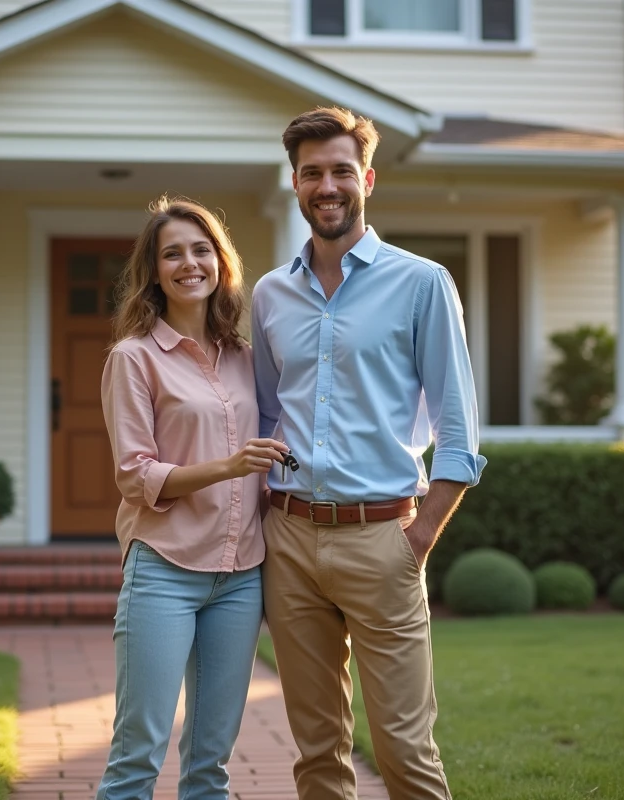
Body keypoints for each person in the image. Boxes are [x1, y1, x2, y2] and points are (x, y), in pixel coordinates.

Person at [251, 107, 487, 800]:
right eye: (313, 173)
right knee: (317, 751)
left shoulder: (421, 283)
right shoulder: (270, 294)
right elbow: (267, 413)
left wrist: (418, 537)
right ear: (294, 183)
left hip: (383, 535)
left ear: (368, 179)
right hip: (289, 541)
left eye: (341, 171)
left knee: (404, 750)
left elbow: (459, 425)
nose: (328, 186)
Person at [97, 196, 289, 800]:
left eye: (201, 250)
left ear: (220, 262)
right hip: (164, 570)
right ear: (153, 272)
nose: (189, 263)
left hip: (240, 577)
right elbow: (136, 476)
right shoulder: (133, 359)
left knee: (211, 763)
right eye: (171, 253)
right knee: (137, 754)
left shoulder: (245, 358)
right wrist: (228, 467)